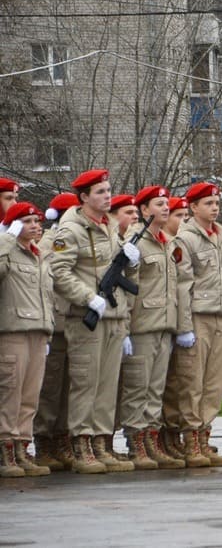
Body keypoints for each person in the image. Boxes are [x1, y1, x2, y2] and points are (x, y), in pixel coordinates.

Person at [48, 169, 135, 474]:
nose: (107, 196)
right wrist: (87, 297)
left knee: (107, 384)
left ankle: (101, 442)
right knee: (86, 382)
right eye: (100, 192)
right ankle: (81, 444)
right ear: (84, 197)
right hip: (88, 317)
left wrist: (129, 260)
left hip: (113, 315)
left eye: (109, 190)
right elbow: (59, 272)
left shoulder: (110, 226)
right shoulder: (71, 230)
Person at [117, 186, 187, 470]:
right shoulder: (135, 240)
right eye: (158, 204)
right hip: (142, 324)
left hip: (165, 323)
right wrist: (125, 327)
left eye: (166, 203)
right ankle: (136, 442)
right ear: (144, 210)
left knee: (155, 389)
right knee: (138, 386)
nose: (165, 208)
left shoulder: (168, 241)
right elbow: (124, 284)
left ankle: (151, 440)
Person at [169, 181, 222, 468]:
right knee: (192, 381)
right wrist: (184, 326)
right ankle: (190, 439)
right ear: (192, 207)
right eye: (208, 203)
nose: (214, 208)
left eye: (217, 203)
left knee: (214, 383)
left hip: (220, 316)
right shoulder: (186, 238)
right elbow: (183, 285)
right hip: (198, 316)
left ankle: (204, 433)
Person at [0, 202, 53, 477]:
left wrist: (48, 328)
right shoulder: (7, 252)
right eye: (28, 221)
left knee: (30, 395)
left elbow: (46, 296)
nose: (35, 225)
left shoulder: (39, 254)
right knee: (11, 392)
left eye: (37, 220)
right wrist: (7, 237)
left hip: (37, 330)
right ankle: (5, 450)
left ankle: (22, 447)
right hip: (13, 331)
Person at [31, 192, 79, 471]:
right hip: (57, 321)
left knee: (68, 388)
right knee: (51, 387)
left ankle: (62, 438)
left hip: (72, 318)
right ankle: (44, 440)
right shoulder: (52, 241)